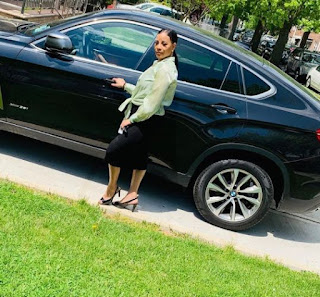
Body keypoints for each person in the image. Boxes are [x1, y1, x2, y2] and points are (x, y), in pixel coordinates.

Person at [98, 29, 179, 212]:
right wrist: (126, 86)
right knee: (140, 156)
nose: (158, 47)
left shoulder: (166, 69)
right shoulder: (160, 65)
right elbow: (145, 93)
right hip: (146, 115)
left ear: (173, 46)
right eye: (157, 43)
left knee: (113, 151)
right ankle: (132, 195)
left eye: (164, 44)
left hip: (145, 116)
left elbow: (151, 102)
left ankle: (112, 189)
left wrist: (132, 119)